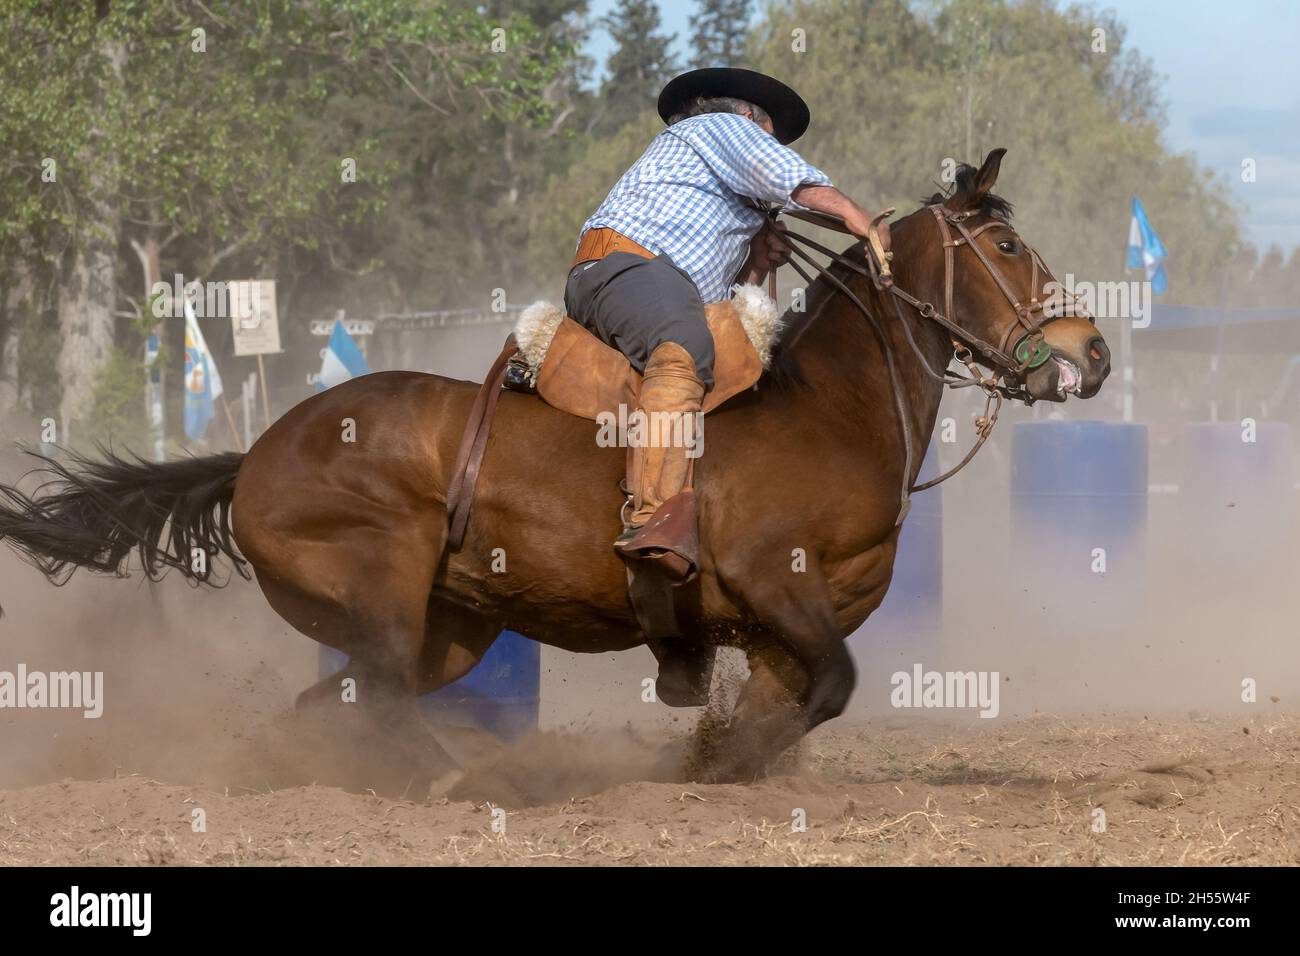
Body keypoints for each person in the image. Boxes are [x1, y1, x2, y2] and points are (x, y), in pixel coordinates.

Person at [565, 67, 880, 573]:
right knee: (683, 347)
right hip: (630, 265)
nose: (771, 142)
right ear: (750, 116)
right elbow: (793, 182)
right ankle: (653, 518)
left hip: (644, 280)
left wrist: (759, 262)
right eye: (771, 132)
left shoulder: (725, 202)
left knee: (736, 365)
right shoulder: (717, 127)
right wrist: (862, 221)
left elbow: (739, 305)